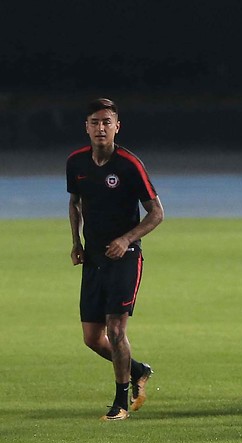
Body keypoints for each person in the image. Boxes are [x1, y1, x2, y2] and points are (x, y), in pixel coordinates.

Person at [66, 98, 162, 421]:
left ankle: (120, 403)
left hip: (125, 257)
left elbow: (157, 213)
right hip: (93, 259)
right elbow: (75, 203)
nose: (101, 128)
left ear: (117, 126)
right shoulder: (76, 164)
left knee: (116, 330)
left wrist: (126, 239)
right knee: (92, 338)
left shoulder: (129, 165)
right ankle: (138, 370)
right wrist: (75, 242)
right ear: (87, 127)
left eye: (107, 122)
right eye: (95, 122)